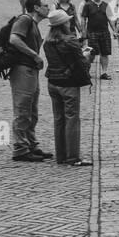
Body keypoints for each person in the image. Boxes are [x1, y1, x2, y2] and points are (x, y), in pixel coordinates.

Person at [42, 9, 93, 166]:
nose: (70, 22)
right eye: (68, 20)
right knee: (72, 119)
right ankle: (73, 157)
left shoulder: (48, 41)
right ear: (63, 23)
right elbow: (82, 63)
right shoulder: (70, 40)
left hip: (53, 82)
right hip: (68, 83)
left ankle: (61, 156)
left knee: (59, 120)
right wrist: (87, 55)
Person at [5, 0, 51, 162]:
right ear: (36, 8)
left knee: (32, 110)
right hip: (22, 69)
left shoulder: (34, 24)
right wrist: (34, 55)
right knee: (23, 109)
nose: (48, 8)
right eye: (45, 5)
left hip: (30, 70)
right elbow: (14, 39)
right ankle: (20, 148)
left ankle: (31, 144)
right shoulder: (25, 19)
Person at [80, 0, 113, 80]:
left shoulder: (106, 5)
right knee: (90, 53)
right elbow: (83, 19)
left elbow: (110, 19)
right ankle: (85, 70)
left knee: (105, 53)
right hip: (92, 32)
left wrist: (114, 30)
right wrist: (83, 31)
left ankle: (104, 72)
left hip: (105, 32)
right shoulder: (87, 5)